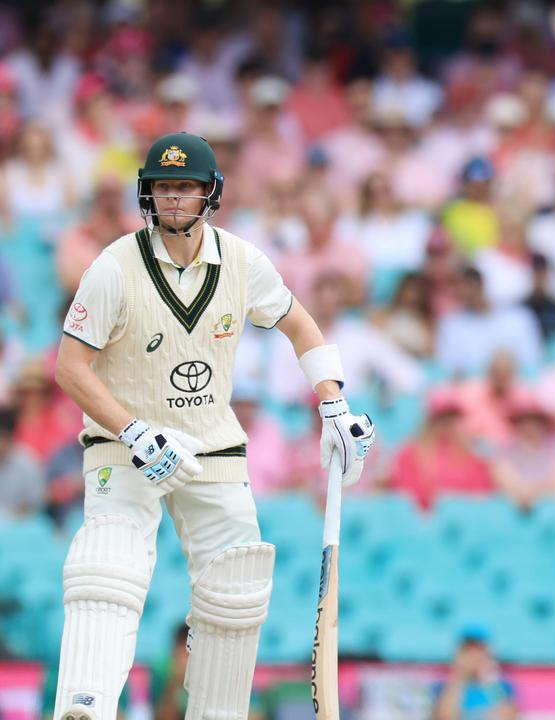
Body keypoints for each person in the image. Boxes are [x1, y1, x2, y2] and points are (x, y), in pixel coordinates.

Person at [52, 133, 376, 720]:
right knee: (109, 567)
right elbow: (69, 368)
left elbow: (302, 327)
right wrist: (134, 432)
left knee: (237, 584)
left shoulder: (243, 262)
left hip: (211, 448)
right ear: (147, 194)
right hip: (124, 448)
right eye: (163, 188)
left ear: (209, 194)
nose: (173, 200)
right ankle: (85, 708)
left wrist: (334, 406)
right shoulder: (114, 268)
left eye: (185, 188)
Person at [429, 625, 517, 720]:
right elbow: (444, 717)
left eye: (478, 650)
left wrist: (487, 677)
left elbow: (508, 717)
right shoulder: (441, 687)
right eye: (468, 651)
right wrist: (460, 675)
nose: (473, 656)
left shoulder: (503, 687)